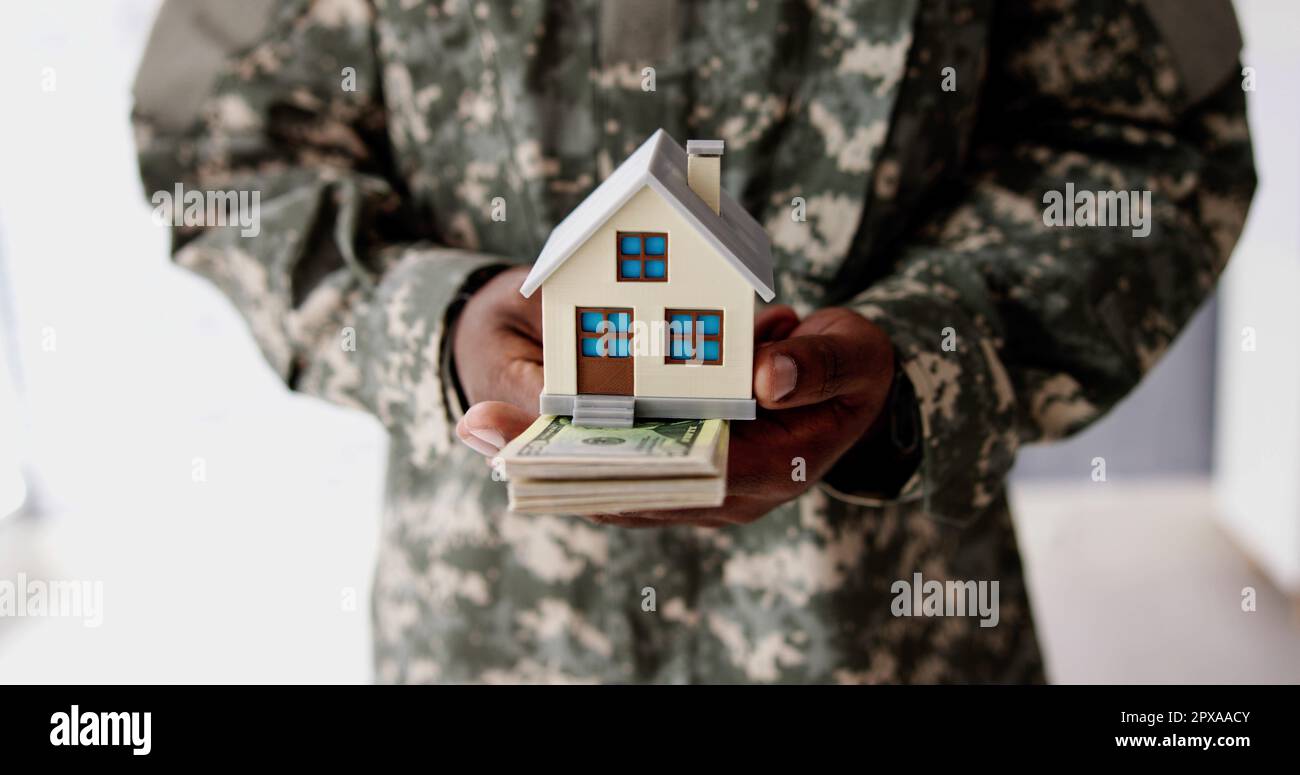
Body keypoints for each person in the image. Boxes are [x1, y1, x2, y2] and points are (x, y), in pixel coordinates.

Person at [133, 0, 1256, 682]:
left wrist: (921, 360)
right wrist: (431, 322)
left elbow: (1146, 151)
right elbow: (224, 153)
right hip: (489, 630)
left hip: (887, 628)